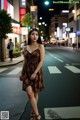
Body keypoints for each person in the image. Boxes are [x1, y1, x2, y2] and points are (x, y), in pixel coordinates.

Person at [20, 28, 45, 120]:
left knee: (35, 93)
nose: (35, 36)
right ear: (29, 36)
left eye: (37, 34)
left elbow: (42, 61)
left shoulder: (40, 46)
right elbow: (25, 61)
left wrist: (35, 72)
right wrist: (22, 73)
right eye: (33, 34)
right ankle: (38, 115)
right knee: (30, 94)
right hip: (26, 72)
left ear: (38, 36)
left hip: (36, 72)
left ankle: (32, 111)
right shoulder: (25, 47)